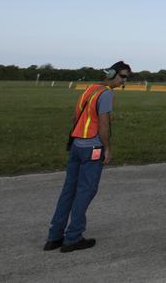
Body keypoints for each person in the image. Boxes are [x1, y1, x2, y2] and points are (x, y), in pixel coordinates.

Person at [44, 60, 130, 252]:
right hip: (92, 148)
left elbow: (75, 117)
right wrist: (107, 148)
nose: (123, 81)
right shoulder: (106, 94)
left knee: (68, 191)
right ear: (111, 74)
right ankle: (73, 237)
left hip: (76, 145)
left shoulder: (90, 89)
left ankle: (54, 236)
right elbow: (103, 125)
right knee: (85, 191)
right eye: (122, 76)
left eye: (126, 78)